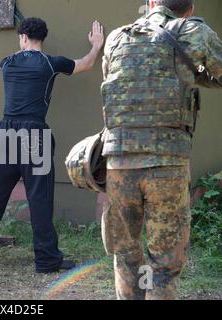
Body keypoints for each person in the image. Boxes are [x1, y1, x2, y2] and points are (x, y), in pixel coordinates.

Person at [100, 0, 222, 299]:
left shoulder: (117, 36)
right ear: (189, 9)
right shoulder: (194, 30)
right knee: (164, 262)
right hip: (167, 162)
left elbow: (113, 81)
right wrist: (197, 74)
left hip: (119, 161)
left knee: (125, 253)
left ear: (151, 3)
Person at [0, 17, 105, 273]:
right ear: (43, 37)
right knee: (39, 199)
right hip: (34, 134)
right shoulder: (51, 64)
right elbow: (86, 64)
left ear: (23, 37)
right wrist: (96, 45)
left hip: (6, 132)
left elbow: (20, 56)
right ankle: (46, 260)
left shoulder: (6, 63)